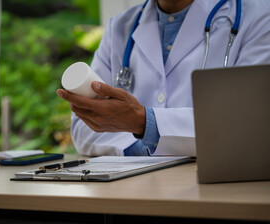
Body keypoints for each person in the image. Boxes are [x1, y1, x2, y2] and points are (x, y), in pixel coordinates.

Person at [57, 0, 270, 156]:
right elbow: (84, 128)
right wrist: (146, 148)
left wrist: (145, 124)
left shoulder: (258, 17)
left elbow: (249, 125)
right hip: (136, 192)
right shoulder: (120, 27)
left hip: (221, 192)